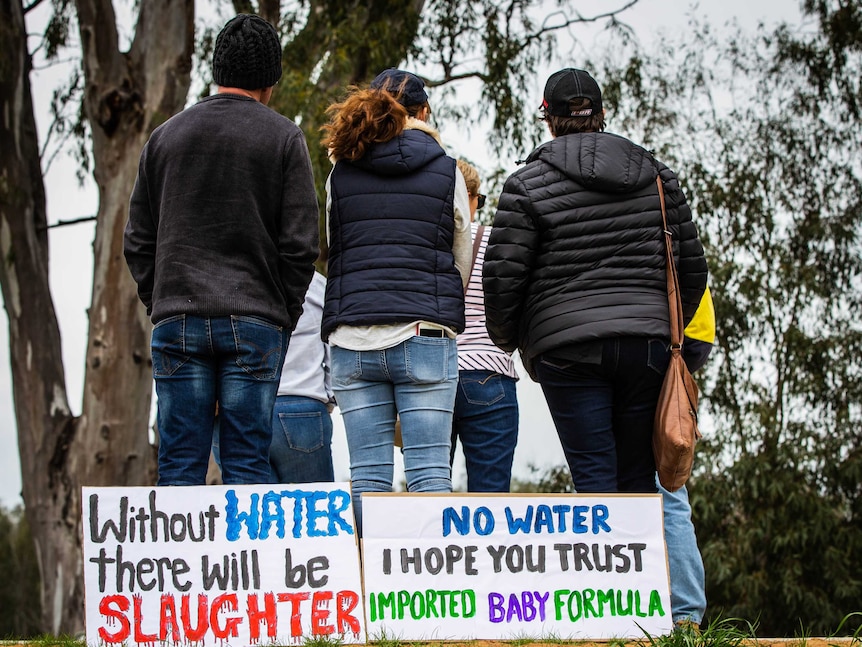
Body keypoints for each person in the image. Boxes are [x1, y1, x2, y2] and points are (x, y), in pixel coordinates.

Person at [483, 67, 713, 627]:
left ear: (549, 117)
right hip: (648, 347)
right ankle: (657, 621)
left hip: (568, 351)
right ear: (602, 113)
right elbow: (692, 268)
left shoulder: (526, 184)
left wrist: (510, 338)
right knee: (641, 482)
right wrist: (675, 338)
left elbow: (503, 275)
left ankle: (611, 620)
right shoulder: (658, 176)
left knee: (594, 479)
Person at [124, 13, 319, 486]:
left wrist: (163, 303)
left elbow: (137, 241)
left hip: (178, 318)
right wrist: (281, 315)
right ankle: (247, 563)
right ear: (271, 81)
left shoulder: (164, 139)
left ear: (217, 71)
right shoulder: (284, 138)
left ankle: (178, 562)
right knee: (248, 463)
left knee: (177, 464)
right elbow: (300, 247)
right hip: (255, 321)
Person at [320, 68, 472, 532]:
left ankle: (368, 590)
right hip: (423, 336)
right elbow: (459, 258)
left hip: (353, 339)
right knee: (430, 474)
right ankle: (433, 597)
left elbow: (335, 243)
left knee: (367, 478)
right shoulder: (448, 171)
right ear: (423, 113)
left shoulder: (340, 172)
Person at [211, 270, 335, 483]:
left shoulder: (223, 277)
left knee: (250, 511)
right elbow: (334, 345)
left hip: (235, 408)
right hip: (301, 403)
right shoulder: (315, 283)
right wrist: (330, 396)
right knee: (313, 510)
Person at [450, 159, 520, 492]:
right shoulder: (496, 241)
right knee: (491, 497)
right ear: (473, 198)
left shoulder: (427, 243)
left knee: (429, 494)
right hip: (491, 374)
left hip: (435, 374)